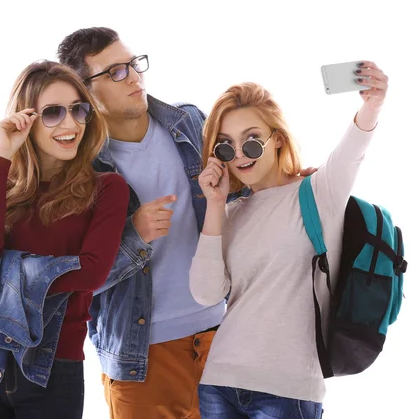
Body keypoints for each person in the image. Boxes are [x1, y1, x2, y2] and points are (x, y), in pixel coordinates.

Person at [56, 27, 318, 418]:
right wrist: (134, 236)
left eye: (132, 64)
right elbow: (76, 277)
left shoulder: (190, 124)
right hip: (140, 356)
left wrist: (286, 182)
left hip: (224, 337)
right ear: (84, 91)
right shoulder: (80, 168)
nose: (133, 76)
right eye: (114, 72)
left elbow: (239, 185)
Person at [189, 62, 389, 418]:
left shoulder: (318, 193)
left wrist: (372, 104)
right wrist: (216, 205)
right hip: (220, 381)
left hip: (287, 390)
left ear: (276, 138)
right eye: (225, 147)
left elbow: (352, 151)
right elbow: (205, 293)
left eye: (251, 142)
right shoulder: (231, 213)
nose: (238, 155)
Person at [0, 60, 129, 419]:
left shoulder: (106, 189)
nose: (70, 124)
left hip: (55, 364)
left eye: (78, 110)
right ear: (25, 121)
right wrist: (1, 155)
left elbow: (90, 274)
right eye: (52, 113)